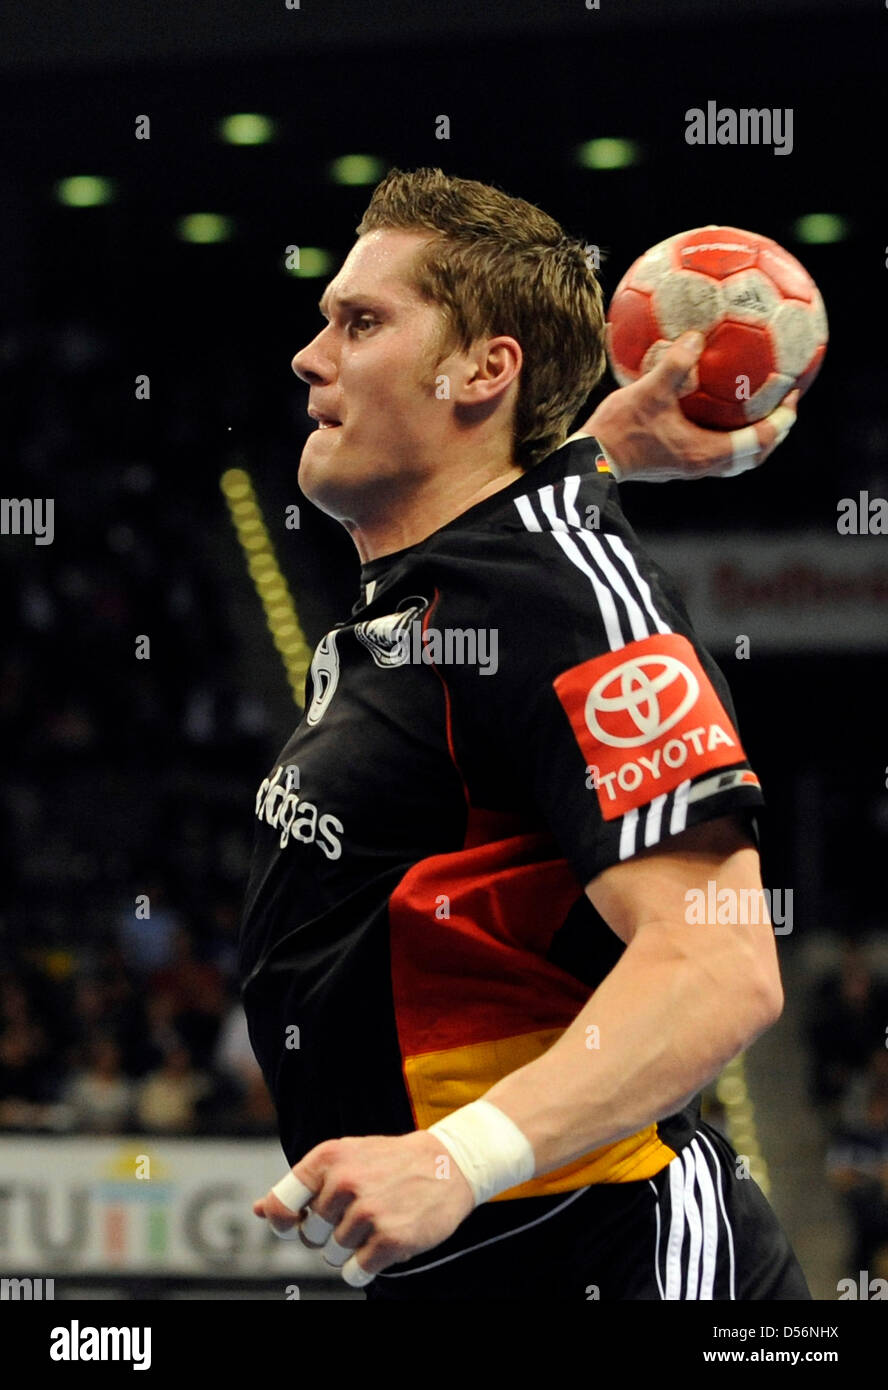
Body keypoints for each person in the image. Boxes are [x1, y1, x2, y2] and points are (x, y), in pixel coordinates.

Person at [242, 166, 809, 1299]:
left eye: (361, 322)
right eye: (324, 322)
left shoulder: (572, 600)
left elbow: (717, 964)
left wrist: (459, 1158)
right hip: (460, 1256)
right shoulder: (445, 581)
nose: (312, 357)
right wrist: (590, 448)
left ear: (484, 370)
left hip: (613, 1251)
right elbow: (513, 529)